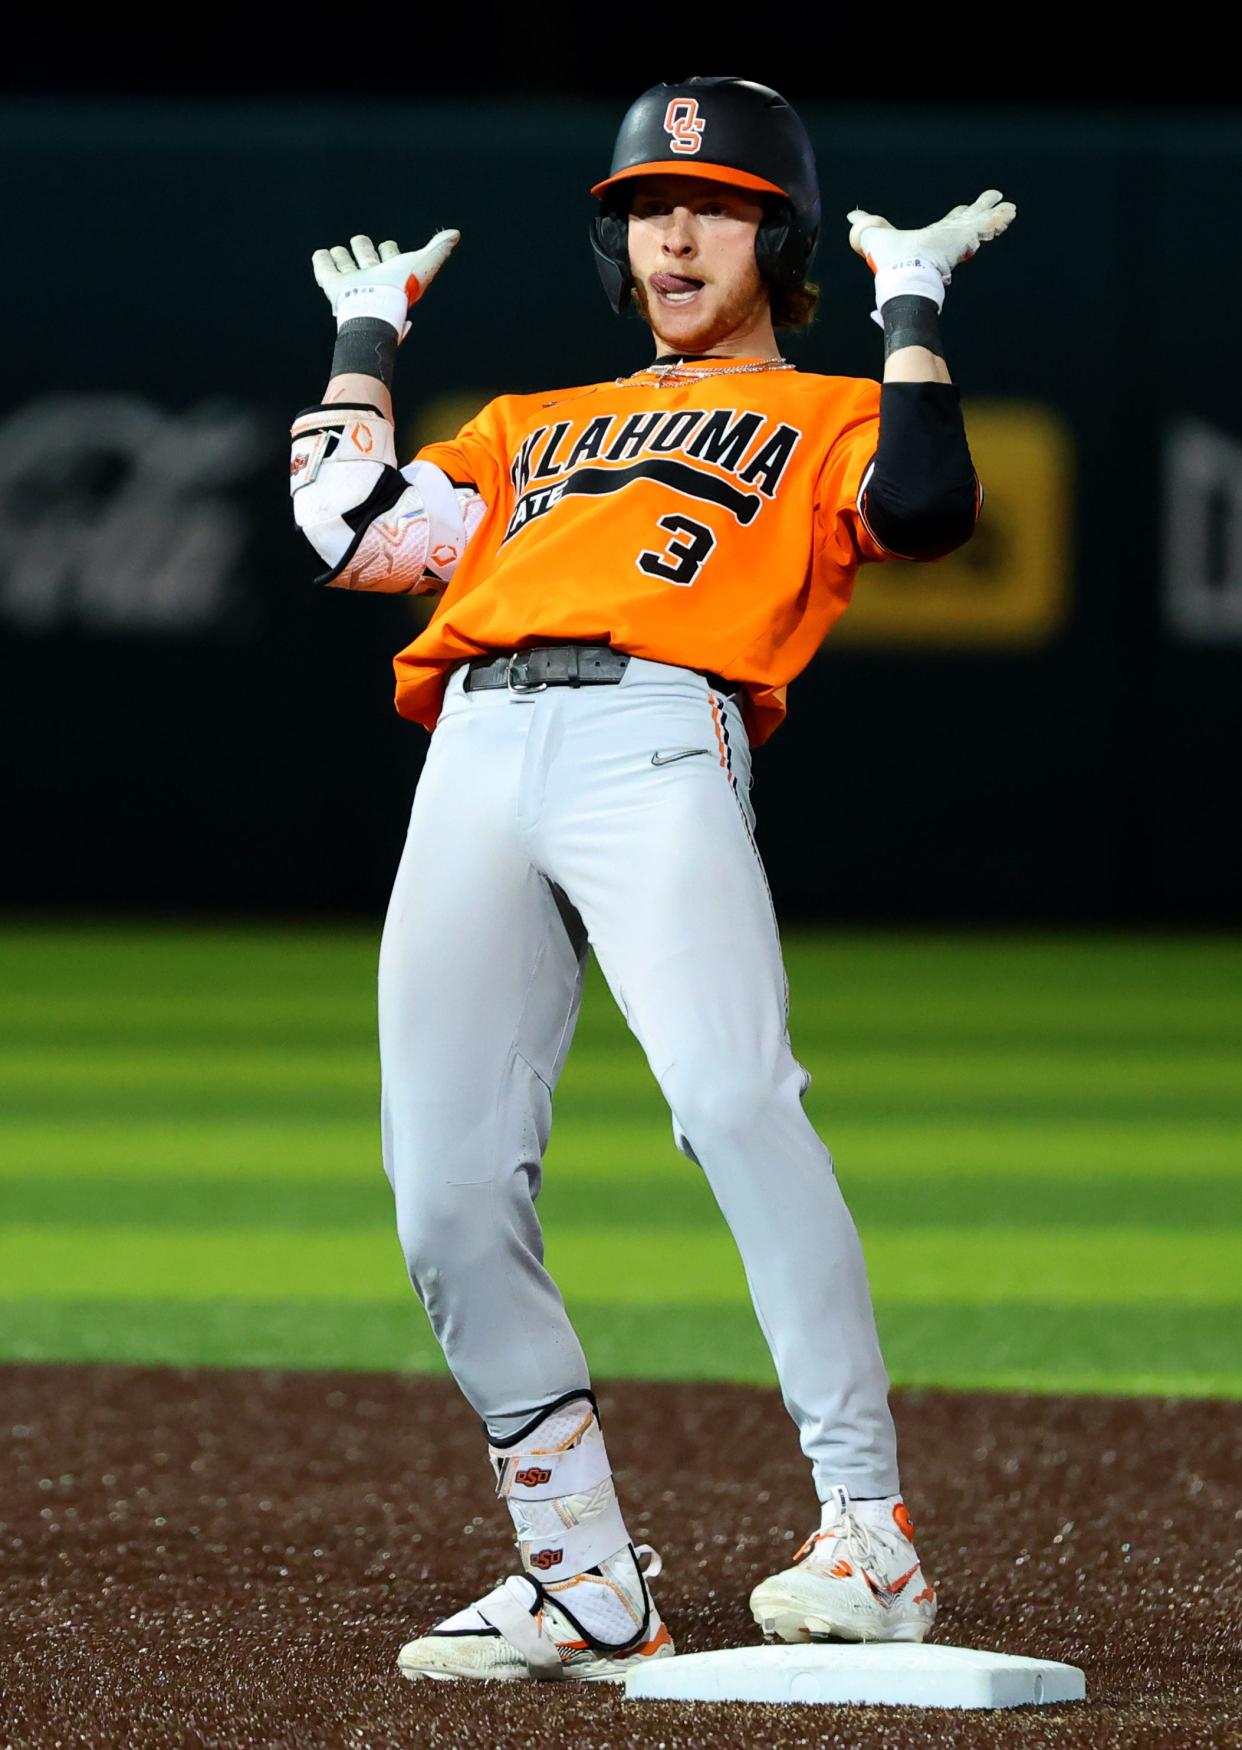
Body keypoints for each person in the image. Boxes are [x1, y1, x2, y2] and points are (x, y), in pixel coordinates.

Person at [289, 76, 1013, 1684]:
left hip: (655, 737)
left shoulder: (828, 409)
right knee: (447, 1192)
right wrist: (365, 339)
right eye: (641, 209)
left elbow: (925, 504)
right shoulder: (531, 420)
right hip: (471, 749)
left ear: (779, 232)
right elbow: (350, 532)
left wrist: (908, 308)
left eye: (711, 203)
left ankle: (866, 1530)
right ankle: (579, 1575)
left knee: (730, 1099)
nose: (670, 232)